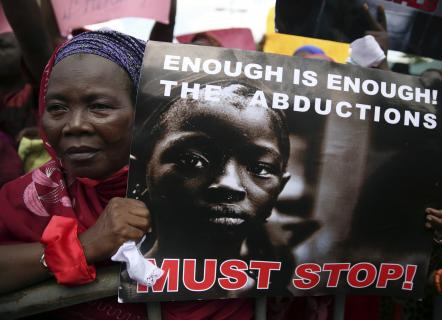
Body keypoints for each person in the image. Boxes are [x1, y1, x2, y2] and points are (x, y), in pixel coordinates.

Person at [0, 30, 253, 320]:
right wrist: (84, 246)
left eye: (99, 107)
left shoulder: (208, 191)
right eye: (57, 108)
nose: (75, 125)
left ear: (145, 113)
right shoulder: (32, 197)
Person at [126, 81, 291, 296]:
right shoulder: (120, 289)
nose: (228, 184)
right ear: (140, 172)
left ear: (279, 189)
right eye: (192, 161)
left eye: (259, 168)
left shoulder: (276, 305)